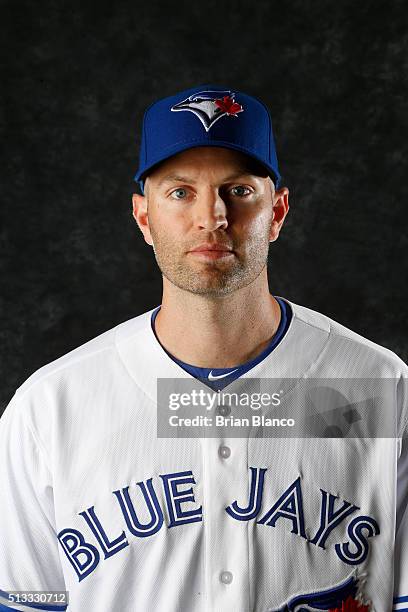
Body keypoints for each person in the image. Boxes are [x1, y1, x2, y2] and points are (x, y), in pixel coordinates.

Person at [0, 85, 407, 612]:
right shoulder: (51, 407)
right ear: (144, 217)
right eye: (180, 192)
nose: (211, 217)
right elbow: (25, 602)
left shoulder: (376, 389)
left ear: (277, 212)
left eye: (238, 191)